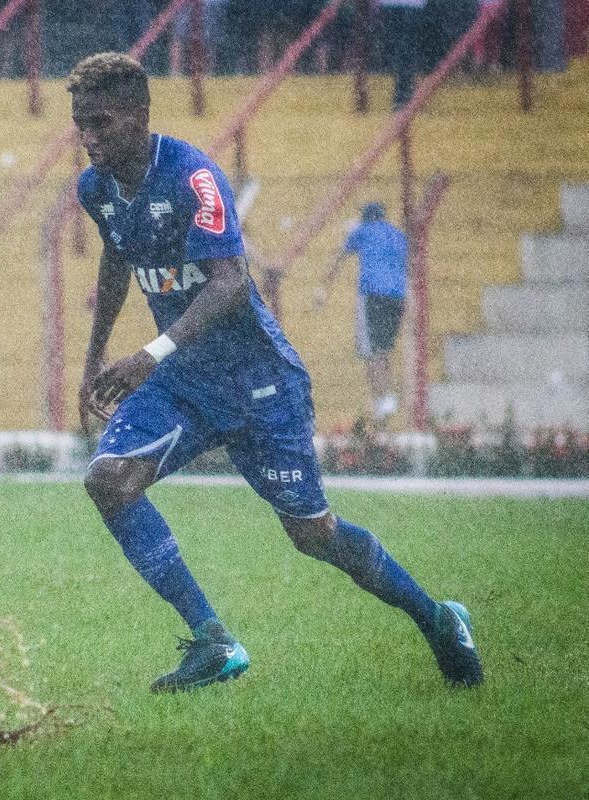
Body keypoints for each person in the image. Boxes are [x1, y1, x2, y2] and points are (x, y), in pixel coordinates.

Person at [69, 53, 482, 693]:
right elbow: (117, 262)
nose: (90, 139)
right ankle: (213, 641)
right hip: (186, 385)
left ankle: (438, 618)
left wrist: (146, 354)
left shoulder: (192, 178)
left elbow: (232, 284)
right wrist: (95, 359)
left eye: (101, 124)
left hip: (260, 382)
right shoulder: (96, 190)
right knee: (109, 479)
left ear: (140, 116)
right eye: (81, 127)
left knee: (313, 535)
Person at [316, 201, 408, 423]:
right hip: (397, 296)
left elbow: (339, 257)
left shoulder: (363, 231)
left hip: (373, 294)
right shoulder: (397, 235)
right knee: (384, 348)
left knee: (370, 350)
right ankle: (387, 399)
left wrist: (323, 287)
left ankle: (380, 403)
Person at [379, 0, 425, 108]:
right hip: (398, 5)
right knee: (403, 48)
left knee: (404, 48)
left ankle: (403, 94)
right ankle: (404, 93)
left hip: (407, 5)